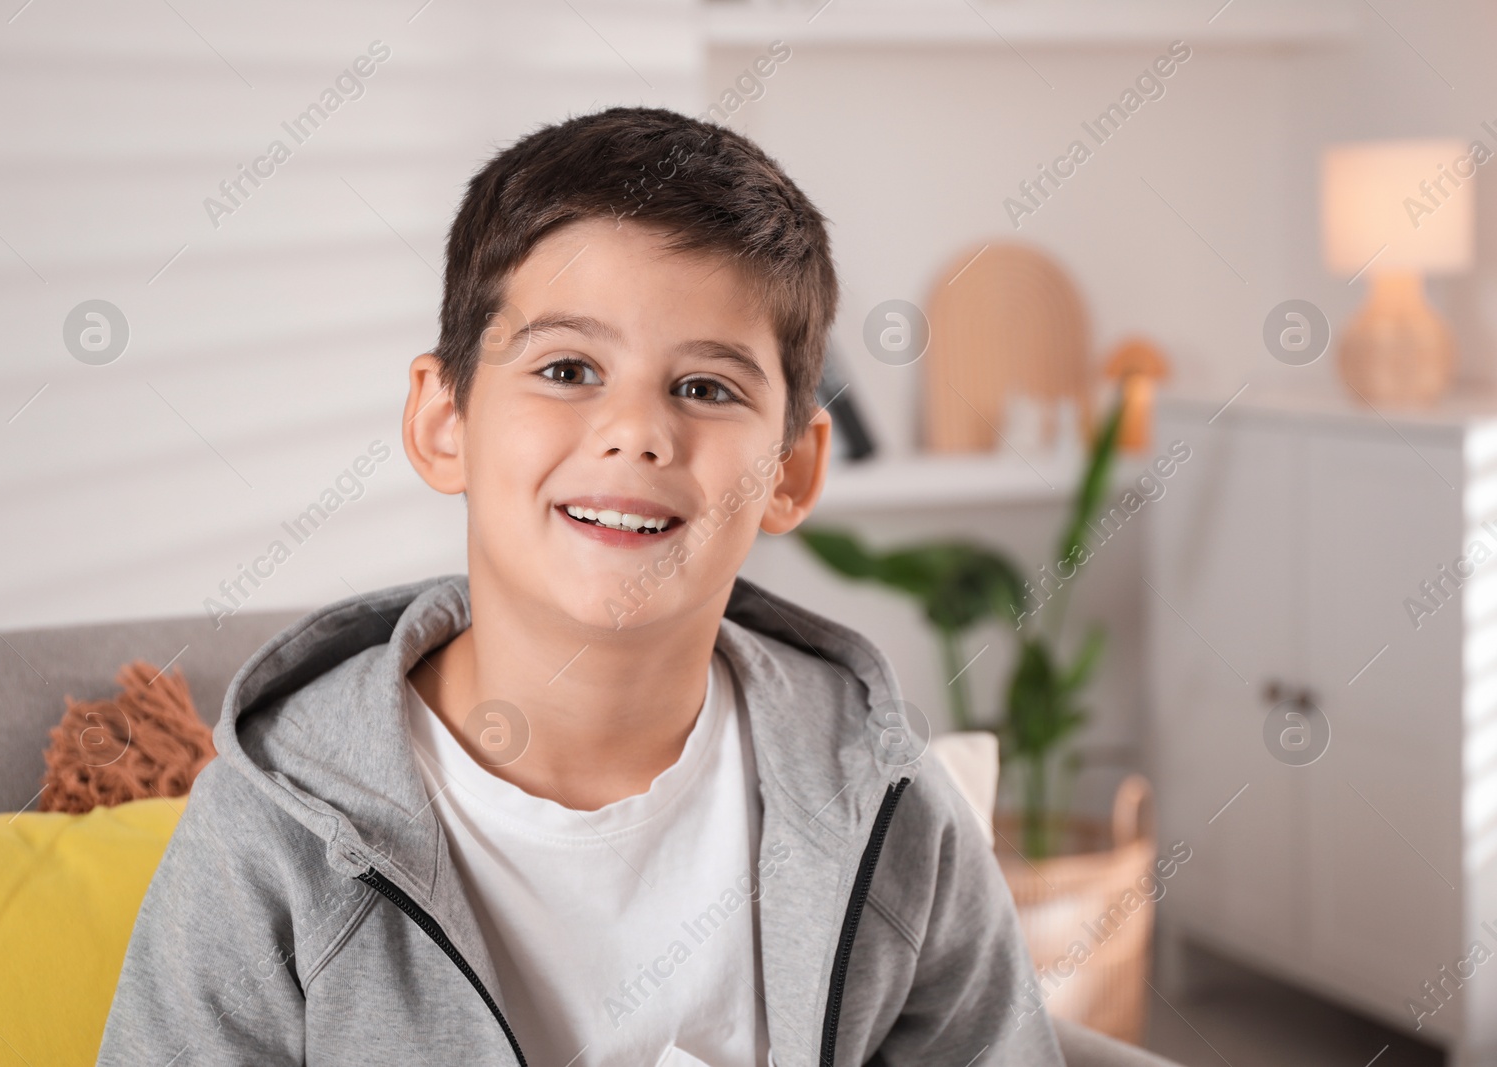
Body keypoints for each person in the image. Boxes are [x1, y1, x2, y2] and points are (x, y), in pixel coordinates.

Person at [96, 105, 1063, 1067]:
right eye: (568, 368)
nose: (637, 430)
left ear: (792, 470)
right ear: (444, 422)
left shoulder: (885, 799)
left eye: (707, 387)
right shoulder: (273, 827)